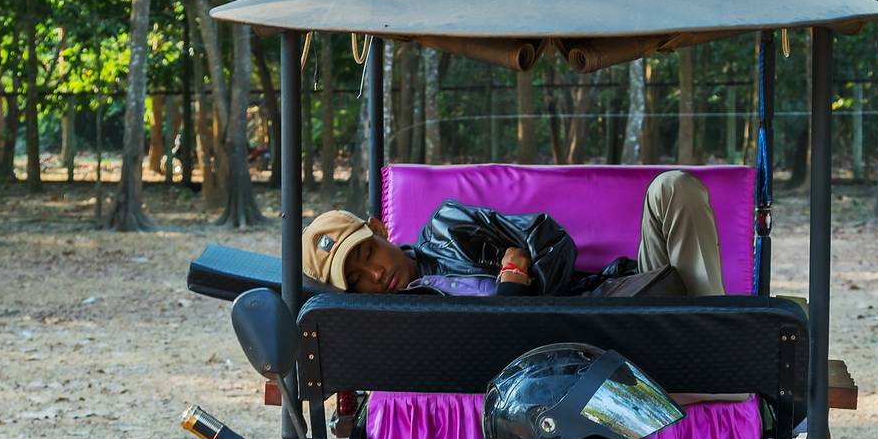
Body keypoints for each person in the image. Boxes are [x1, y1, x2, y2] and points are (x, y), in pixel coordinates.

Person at [301, 170, 726, 299]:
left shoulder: (450, 228)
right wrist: (511, 289)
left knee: (673, 188)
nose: (373, 275)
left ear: (378, 229)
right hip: (569, 351)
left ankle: (715, 333)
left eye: (367, 255)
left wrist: (525, 272)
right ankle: (707, 349)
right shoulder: (394, 320)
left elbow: (550, 242)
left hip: (595, 303)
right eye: (356, 279)